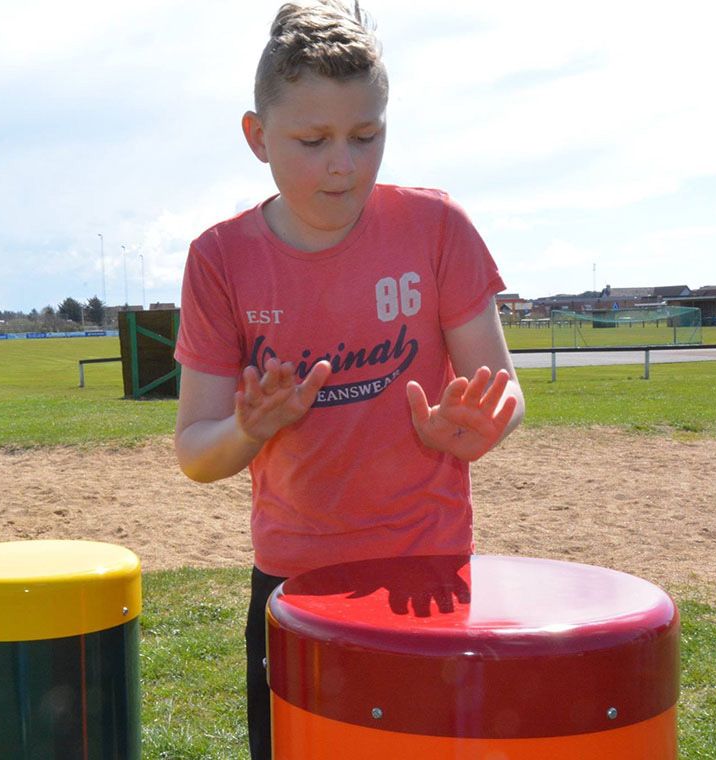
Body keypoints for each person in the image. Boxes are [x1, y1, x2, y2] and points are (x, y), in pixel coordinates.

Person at [172, 2, 524, 757]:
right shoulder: (219, 260)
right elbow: (197, 453)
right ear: (256, 137)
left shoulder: (437, 228)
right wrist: (250, 428)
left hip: (429, 574)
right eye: (313, 140)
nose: (345, 164)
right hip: (294, 586)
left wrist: (483, 423)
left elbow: (502, 388)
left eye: (367, 137)